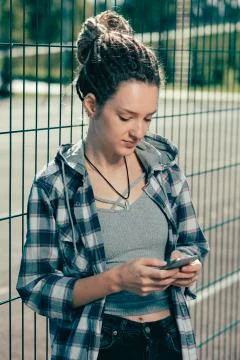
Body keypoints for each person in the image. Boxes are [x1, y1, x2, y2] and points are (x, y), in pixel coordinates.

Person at [16, 10, 209, 360]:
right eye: (126, 117)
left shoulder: (165, 169)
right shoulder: (55, 185)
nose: (139, 131)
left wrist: (186, 263)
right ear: (91, 105)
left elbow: (192, 242)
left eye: (148, 117)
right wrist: (116, 280)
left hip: (170, 338)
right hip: (99, 344)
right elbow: (36, 287)